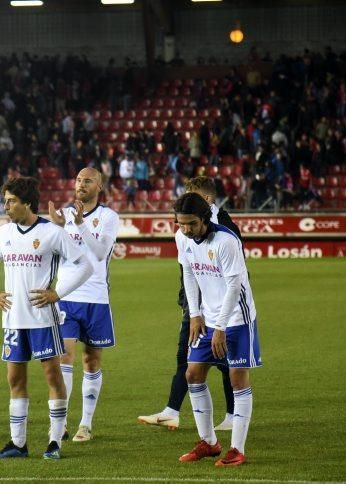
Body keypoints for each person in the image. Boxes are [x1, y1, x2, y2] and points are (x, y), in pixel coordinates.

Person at [0, 176, 92, 460]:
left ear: (27, 203)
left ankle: (54, 442)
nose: (6, 206)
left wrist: (58, 292)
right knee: (14, 379)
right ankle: (17, 444)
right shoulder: (4, 233)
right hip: (12, 320)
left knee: (53, 376)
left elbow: (84, 265)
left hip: (43, 319)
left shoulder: (52, 232)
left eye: (11, 201)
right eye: (5, 201)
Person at [138, 176, 237, 431]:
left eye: (190, 195)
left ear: (205, 200)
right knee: (186, 357)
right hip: (195, 307)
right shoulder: (184, 233)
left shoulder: (225, 229)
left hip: (221, 308)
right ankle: (172, 410)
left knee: (226, 362)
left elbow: (235, 276)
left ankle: (232, 415)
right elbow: (189, 271)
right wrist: (191, 307)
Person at [172, 192, 262, 467]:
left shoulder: (225, 241)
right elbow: (188, 273)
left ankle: (237, 449)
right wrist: (195, 314)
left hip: (236, 318)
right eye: (181, 224)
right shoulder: (182, 238)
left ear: (204, 219)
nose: (186, 230)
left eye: (192, 224)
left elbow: (235, 286)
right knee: (193, 374)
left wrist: (220, 327)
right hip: (207, 318)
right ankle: (209, 442)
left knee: (237, 379)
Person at [47, 167, 119, 442]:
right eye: (78, 179)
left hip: (97, 298)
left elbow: (100, 253)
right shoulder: (61, 216)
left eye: (87, 180)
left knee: (91, 360)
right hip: (67, 297)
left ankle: (85, 424)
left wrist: (78, 224)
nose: (81, 184)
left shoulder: (108, 217)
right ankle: (61, 423)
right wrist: (55, 227)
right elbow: (48, 252)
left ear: (99, 186)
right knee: (64, 356)